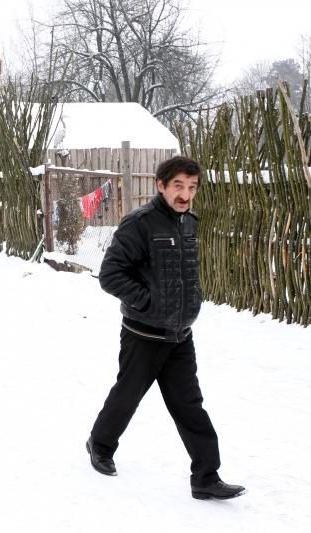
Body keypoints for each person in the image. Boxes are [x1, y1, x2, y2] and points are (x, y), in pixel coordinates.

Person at [86, 156, 246, 500]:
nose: (185, 194)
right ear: (161, 185)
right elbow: (110, 275)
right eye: (178, 186)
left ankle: (206, 476)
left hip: (179, 335)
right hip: (143, 334)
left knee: (190, 405)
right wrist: (148, 302)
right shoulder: (139, 224)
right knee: (127, 395)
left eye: (192, 187)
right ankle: (99, 444)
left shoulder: (189, 223)